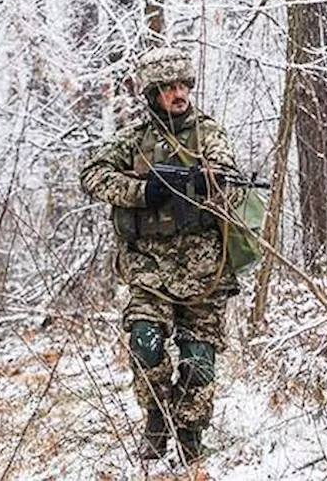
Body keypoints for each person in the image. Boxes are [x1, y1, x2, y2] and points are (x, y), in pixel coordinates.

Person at [80, 46, 243, 463]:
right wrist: (141, 192)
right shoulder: (135, 139)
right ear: (153, 93)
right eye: (168, 87)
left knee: (199, 359)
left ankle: (189, 436)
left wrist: (214, 184)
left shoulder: (208, 133)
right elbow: (92, 174)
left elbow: (232, 177)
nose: (178, 94)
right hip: (148, 268)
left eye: (183, 85)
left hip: (204, 268)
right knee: (146, 342)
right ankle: (155, 415)